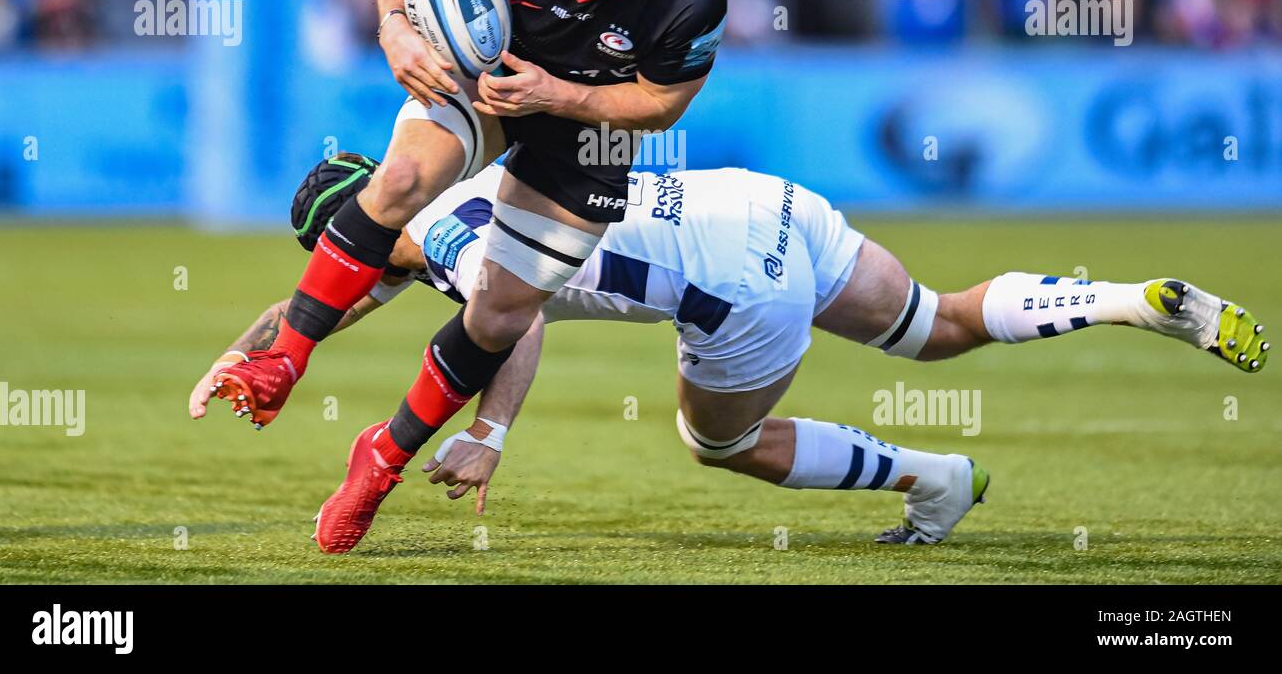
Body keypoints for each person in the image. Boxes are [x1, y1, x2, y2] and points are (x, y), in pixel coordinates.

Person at [192, 154, 1269, 552]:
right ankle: (1136, 297)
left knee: (724, 443)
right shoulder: (453, 186)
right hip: (759, 199)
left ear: (362, 233)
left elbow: (499, 317)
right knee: (937, 322)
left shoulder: (446, 240)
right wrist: (237, 349)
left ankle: (930, 477)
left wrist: (486, 430)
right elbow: (329, 304)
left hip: (738, 290)